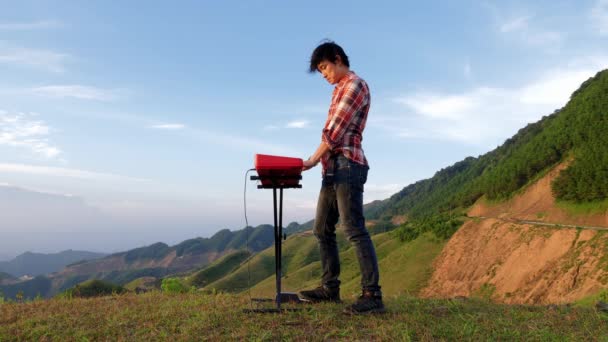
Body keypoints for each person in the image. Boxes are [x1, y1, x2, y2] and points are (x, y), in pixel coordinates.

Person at [300, 40, 384, 315]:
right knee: (322, 228)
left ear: (337, 59)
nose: (323, 74)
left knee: (354, 228)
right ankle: (329, 289)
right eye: (320, 70)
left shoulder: (354, 85)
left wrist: (312, 159)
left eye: (324, 67)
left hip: (348, 165)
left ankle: (372, 295)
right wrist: (321, 162)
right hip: (333, 168)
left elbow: (334, 132)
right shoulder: (338, 90)